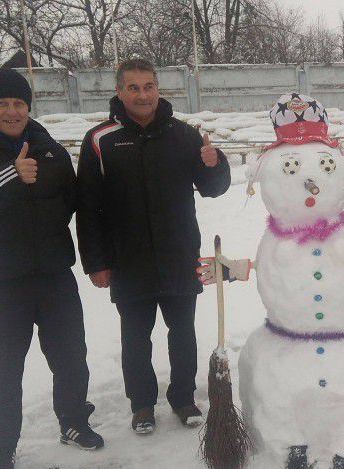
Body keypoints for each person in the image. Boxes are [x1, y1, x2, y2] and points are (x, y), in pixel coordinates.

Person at [0, 68, 103, 469]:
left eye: (18, 104)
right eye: (2, 104)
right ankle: (2, 445)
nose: (12, 111)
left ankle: (72, 421)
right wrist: (10, 175)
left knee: (70, 356)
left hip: (52, 276)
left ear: (28, 107)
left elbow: (72, 203)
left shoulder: (51, 150)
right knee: (2, 369)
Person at [76, 59, 231, 435]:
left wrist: (215, 163)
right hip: (128, 260)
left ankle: (183, 398)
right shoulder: (101, 140)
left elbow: (213, 187)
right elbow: (88, 206)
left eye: (148, 86)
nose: (142, 95)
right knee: (135, 336)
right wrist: (96, 261)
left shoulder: (185, 135)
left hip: (178, 255)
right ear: (120, 92)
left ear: (158, 89)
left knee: (182, 331)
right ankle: (142, 404)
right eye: (133, 87)